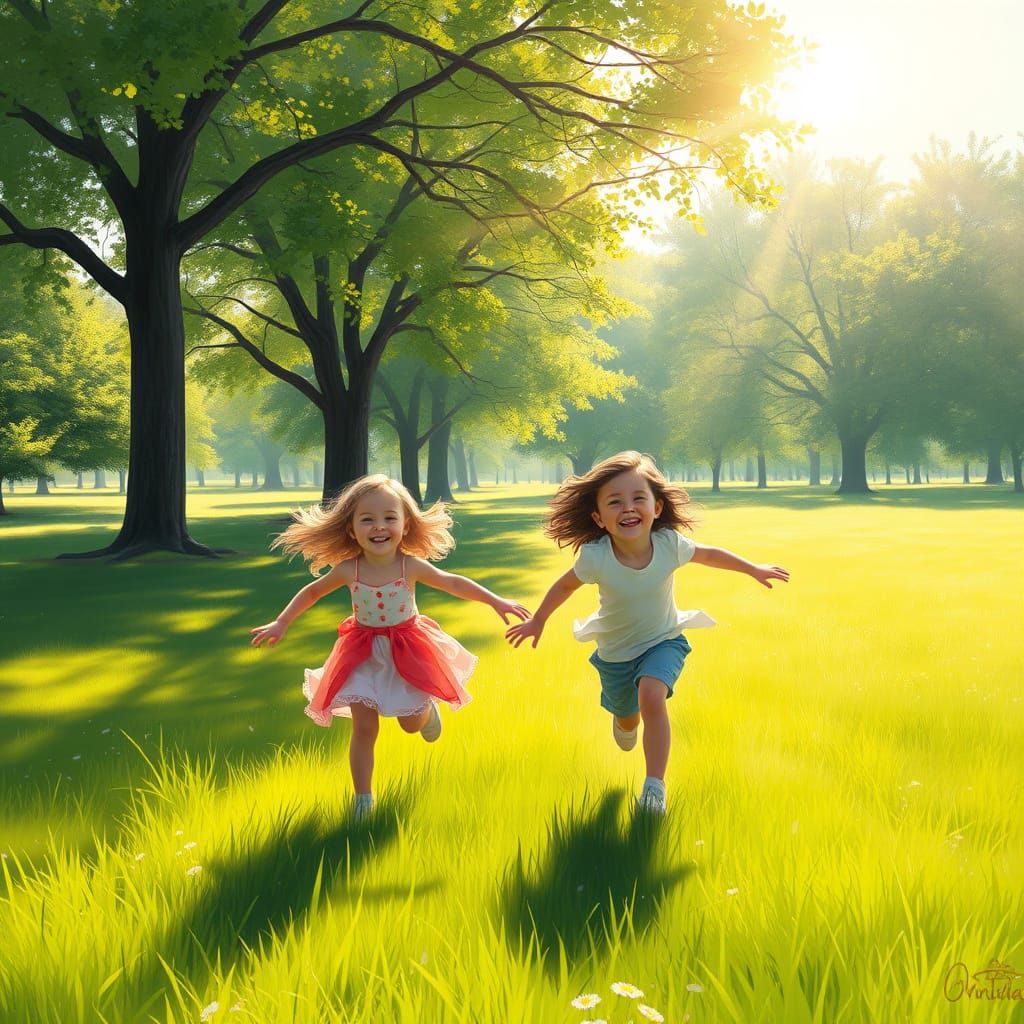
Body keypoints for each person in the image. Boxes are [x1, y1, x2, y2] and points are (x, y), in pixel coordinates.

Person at [506, 451, 789, 815]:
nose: (628, 508)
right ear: (599, 518)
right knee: (628, 715)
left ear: (656, 508)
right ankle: (625, 720)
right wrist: (538, 620)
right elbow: (564, 587)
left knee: (652, 697)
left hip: (664, 640)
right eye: (615, 502)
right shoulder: (597, 557)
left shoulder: (669, 544)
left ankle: (654, 788)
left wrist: (753, 569)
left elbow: (709, 555)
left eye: (638, 498)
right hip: (616, 654)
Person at [251, 474, 529, 818]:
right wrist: (282, 621)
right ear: (352, 529)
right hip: (361, 652)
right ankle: (363, 800)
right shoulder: (348, 569)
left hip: (407, 649)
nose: (379, 527)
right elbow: (312, 592)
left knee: (411, 724)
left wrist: (495, 601)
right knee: (364, 727)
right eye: (367, 519)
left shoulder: (408, 565)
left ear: (406, 525)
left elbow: (453, 583)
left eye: (389, 518)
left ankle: (426, 710)